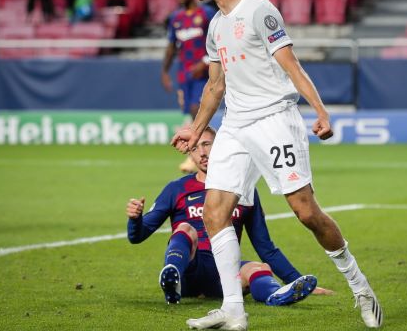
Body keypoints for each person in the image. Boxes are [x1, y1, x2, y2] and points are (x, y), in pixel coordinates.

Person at [172, 0, 382, 330]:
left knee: (305, 211)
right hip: (235, 125)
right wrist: (196, 129)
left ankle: (360, 286)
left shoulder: (259, 10)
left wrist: (320, 111)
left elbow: (292, 66)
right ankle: (234, 311)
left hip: (274, 120)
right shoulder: (215, 26)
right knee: (215, 213)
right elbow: (215, 87)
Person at [126, 126, 326, 308]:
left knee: (260, 268)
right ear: (190, 154)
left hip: (224, 273)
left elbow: (265, 247)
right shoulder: (177, 189)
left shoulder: (243, 189)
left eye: (206, 145)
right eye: (195, 148)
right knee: (186, 228)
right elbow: (138, 236)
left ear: (220, 146)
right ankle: (172, 279)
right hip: (189, 269)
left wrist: (294, 279)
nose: (202, 153)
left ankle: (276, 295)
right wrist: (135, 219)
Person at [162, 0, 216, 173]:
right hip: (185, 74)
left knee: (196, 111)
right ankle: (205, 154)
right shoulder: (176, 18)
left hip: (204, 73)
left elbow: (219, 40)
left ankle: (196, 157)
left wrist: (206, 62)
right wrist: (165, 72)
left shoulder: (207, 13)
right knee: (193, 113)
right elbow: (171, 47)